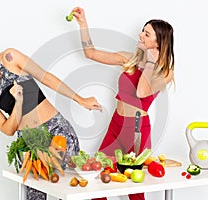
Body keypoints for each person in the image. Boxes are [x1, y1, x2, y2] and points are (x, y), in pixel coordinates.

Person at [0, 31, 102, 200]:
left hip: (58, 130)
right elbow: (7, 129)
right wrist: (18, 102)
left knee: (69, 190)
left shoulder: (9, 57)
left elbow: (46, 78)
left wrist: (80, 100)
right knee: (34, 197)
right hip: (31, 145)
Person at [72, 7, 174, 200]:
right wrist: (83, 24)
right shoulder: (131, 58)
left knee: (134, 191)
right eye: (142, 31)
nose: (140, 35)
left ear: (158, 42)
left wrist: (150, 63)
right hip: (116, 123)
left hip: (135, 129)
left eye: (146, 33)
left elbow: (142, 92)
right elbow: (90, 53)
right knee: (100, 179)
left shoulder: (165, 72)